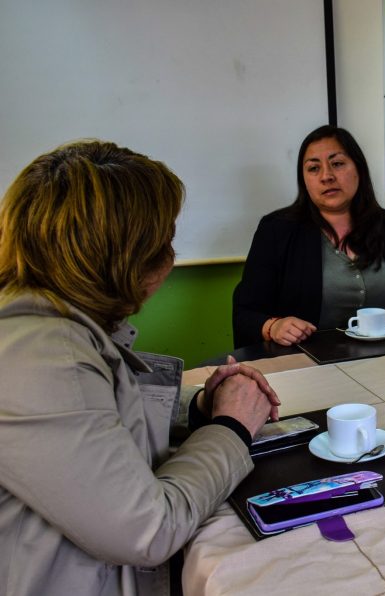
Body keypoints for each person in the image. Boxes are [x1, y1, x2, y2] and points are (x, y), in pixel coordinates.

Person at [0, 141, 281, 595]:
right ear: (125, 260)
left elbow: (99, 420)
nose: (171, 257)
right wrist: (230, 428)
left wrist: (200, 407)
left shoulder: (48, 327)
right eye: (164, 241)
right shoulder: (46, 357)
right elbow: (149, 530)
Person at [232, 125, 385, 348]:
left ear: (359, 169)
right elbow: (246, 313)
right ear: (304, 179)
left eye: (337, 164)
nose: (327, 176)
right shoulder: (277, 230)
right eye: (314, 168)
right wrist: (273, 326)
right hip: (306, 366)